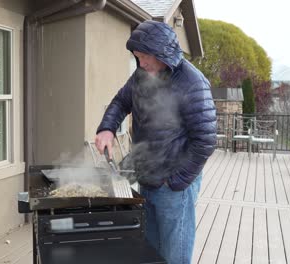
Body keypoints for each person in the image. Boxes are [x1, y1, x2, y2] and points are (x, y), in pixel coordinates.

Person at [95, 20, 216, 264]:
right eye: (137, 57)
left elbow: (205, 140)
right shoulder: (142, 75)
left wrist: (176, 182)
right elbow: (121, 101)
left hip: (174, 185)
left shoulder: (193, 83)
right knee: (151, 253)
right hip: (147, 179)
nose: (141, 63)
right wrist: (107, 128)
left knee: (175, 257)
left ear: (162, 52)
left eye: (144, 57)